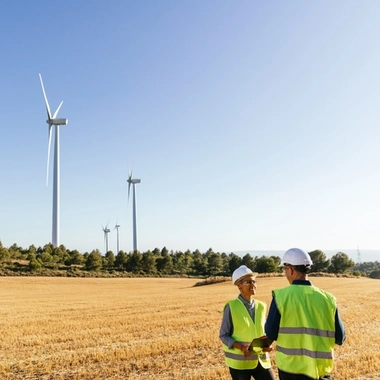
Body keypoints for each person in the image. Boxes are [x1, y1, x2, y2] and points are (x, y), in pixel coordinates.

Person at [265, 248, 346, 380]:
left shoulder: (281, 296)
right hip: (321, 371)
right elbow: (340, 337)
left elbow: (270, 332)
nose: (285, 273)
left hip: (292, 370)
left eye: (284, 269)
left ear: (290, 269)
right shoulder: (329, 299)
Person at [220, 265, 275, 380]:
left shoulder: (262, 306)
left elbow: (263, 331)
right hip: (240, 364)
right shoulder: (231, 307)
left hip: (261, 360)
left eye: (254, 281)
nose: (253, 285)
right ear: (238, 285)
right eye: (248, 282)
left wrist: (267, 345)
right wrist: (239, 346)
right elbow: (223, 335)